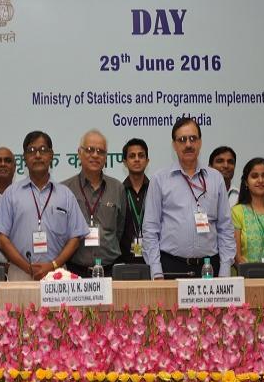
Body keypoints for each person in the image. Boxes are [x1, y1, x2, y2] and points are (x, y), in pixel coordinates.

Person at [143, 117, 236, 279]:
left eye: (193, 139)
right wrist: (156, 271)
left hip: (210, 267)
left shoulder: (216, 179)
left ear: (200, 142)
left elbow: (225, 228)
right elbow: (150, 229)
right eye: (182, 140)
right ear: (174, 145)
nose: (188, 144)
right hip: (171, 266)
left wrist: (225, 269)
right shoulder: (159, 180)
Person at [0, 131, 89, 281]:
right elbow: (1, 239)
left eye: (43, 150)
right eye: (32, 150)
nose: (38, 155)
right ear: (24, 158)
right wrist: (28, 268)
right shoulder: (11, 194)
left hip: (57, 273)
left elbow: (76, 237)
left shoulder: (65, 194)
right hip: (20, 272)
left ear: (51, 155)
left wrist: (53, 265)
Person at [62, 130, 125, 277]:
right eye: (90, 150)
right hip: (75, 271)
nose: (95, 155)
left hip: (109, 271)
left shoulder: (117, 188)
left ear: (106, 157)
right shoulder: (65, 189)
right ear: (79, 153)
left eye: (100, 151)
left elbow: (119, 230)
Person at [231, 158, 264, 275]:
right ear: (246, 182)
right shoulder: (237, 212)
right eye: (254, 176)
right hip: (247, 278)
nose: (260, 180)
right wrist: (252, 277)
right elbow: (236, 255)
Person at [119, 137, 150, 265]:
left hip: (152, 261)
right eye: (132, 156)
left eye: (141, 156)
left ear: (147, 161)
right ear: (125, 162)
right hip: (123, 261)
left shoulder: (155, 191)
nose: (137, 159)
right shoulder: (118, 191)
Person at [0, 147, 15, 269]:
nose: (3, 164)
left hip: (17, 266)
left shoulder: (24, 196)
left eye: (8, 161)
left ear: (15, 167)